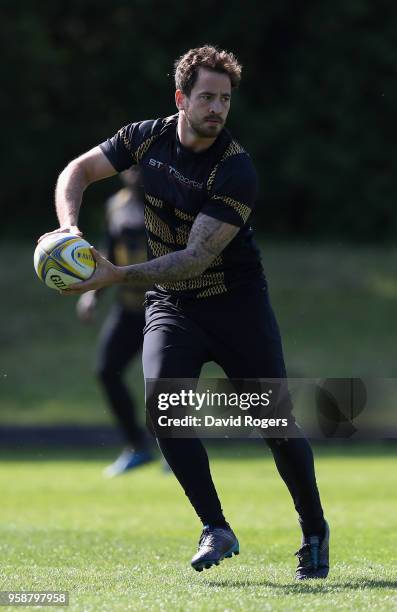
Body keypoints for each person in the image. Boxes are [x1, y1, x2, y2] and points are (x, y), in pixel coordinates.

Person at [40, 45, 329, 579]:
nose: (218, 108)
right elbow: (76, 171)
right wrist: (69, 228)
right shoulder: (144, 138)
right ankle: (215, 526)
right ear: (181, 98)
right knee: (164, 410)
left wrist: (116, 276)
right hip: (174, 306)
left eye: (225, 99)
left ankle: (314, 529)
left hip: (236, 304)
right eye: (207, 97)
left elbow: (196, 258)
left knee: (274, 425)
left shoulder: (235, 169)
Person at [76, 168, 153, 477]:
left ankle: (178, 454)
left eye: (142, 166)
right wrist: (92, 295)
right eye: (131, 166)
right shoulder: (116, 206)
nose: (136, 172)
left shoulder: (169, 205)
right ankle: (137, 446)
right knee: (108, 371)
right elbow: (107, 253)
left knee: (167, 378)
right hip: (128, 307)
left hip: (164, 306)